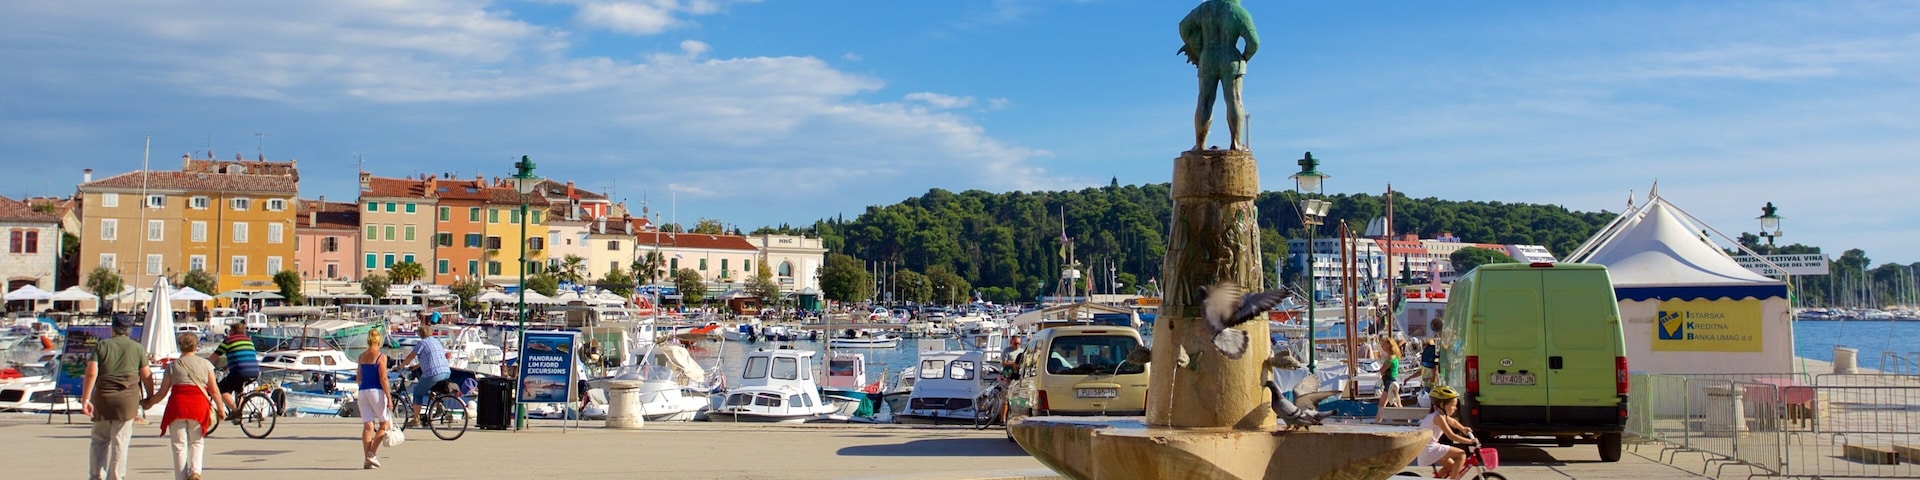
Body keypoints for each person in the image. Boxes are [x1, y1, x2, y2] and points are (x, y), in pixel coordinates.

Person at [1178, 0, 1260, 151]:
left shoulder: (1204, 8)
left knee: (1205, 100)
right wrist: (1244, 58)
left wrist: (1196, 45)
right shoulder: (1239, 12)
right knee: (1234, 99)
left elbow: (1183, 26)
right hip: (1231, 58)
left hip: (1207, 57)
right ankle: (1236, 143)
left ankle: (1200, 145)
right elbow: (1254, 42)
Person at [141, 333, 225, 480]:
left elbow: (162, 393)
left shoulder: (173, 366)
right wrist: (221, 409)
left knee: (179, 445)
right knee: (197, 442)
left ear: (180, 346)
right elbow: (214, 390)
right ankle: (195, 471)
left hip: (177, 407)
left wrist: (148, 403)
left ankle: (180, 477)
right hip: (199, 407)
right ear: (196, 345)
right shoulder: (206, 365)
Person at [82, 314, 154, 480]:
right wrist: (150, 396)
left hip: (103, 398)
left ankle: (96, 475)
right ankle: (116, 477)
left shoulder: (102, 346)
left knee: (99, 440)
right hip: (127, 400)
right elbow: (146, 374)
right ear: (129, 330)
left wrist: (86, 399)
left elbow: (91, 373)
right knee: (120, 442)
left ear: (112, 328)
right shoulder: (137, 348)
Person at [1418, 386, 1478, 479]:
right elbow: (1452, 436)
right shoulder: (1438, 418)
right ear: (1442, 405)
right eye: (1453, 405)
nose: (1455, 408)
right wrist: (1470, 441)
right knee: (1461, 454)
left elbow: (1452, 421)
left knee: (1451, 466)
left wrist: (1463, 428)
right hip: (1429, 449)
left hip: (1427, 447)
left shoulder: (1439, 414)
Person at [355, 331, 392, 469]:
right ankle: (371, 454)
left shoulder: (361, 356)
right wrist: (388, 397)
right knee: (384, 425)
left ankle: (367, 460)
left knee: (368, 426)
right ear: (379, 341)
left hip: (363, 391)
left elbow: (358, 378)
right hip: (376, 391)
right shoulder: (381, 357)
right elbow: (383, 378)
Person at [401, 334, 452, 426]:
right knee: (427, 389)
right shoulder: (436, 341)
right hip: (446, 372)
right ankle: (439, 406)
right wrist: (416, 366)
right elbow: (430, 359)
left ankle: (415, 420)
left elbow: (410, 357)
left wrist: (400, 366)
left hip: (434, 373)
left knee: (417, 392)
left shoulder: (422, 343)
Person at [211, 323, 259, 419]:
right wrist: (227, 366)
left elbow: (214, 356)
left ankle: (236, 412)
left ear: (233, 331)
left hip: (240, 372)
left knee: (221, 389)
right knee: (239, 389)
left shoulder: (229, 340)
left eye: (230, 330)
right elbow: (242, 357)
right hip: (255, 371)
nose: (229, 333)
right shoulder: (249, 340)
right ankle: (239, 413)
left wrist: (205, 366)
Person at [1377, 335, 1403, 408]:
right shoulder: (1394, 356)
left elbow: (1382, 370)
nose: (1382, 346)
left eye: (1383, 344)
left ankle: (1377, 419)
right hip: (1393, 380)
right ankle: (1404, 417)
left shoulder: (1390, 357)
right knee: (1397, 404)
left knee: (1381, 406)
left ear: (1388, 345)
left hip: (1389, 382)